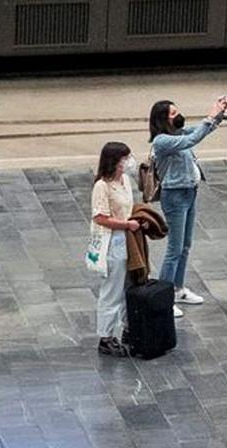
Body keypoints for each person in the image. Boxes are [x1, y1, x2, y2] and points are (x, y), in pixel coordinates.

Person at [148, 97, 227, 318]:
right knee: (174, 249)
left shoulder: (176, 134)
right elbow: (193, 138)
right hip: (175, 196)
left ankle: (178, 288)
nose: (178, 115)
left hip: (190, 191)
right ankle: (164, 298)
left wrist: (218, 115)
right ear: (163, 119)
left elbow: (198, 131)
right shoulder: (162, 141)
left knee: (185, 245)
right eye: (173, 113)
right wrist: (210, 116)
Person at [87, 142, 140, 357]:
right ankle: (106, 336)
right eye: (125, 159)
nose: (128, 162)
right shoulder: (102, 186)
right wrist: (126, 225)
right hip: (113, 240)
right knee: (112, 289)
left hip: (128, 237)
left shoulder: (125, 180)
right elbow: (100, 217)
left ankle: (129, 327)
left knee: (129, 284)